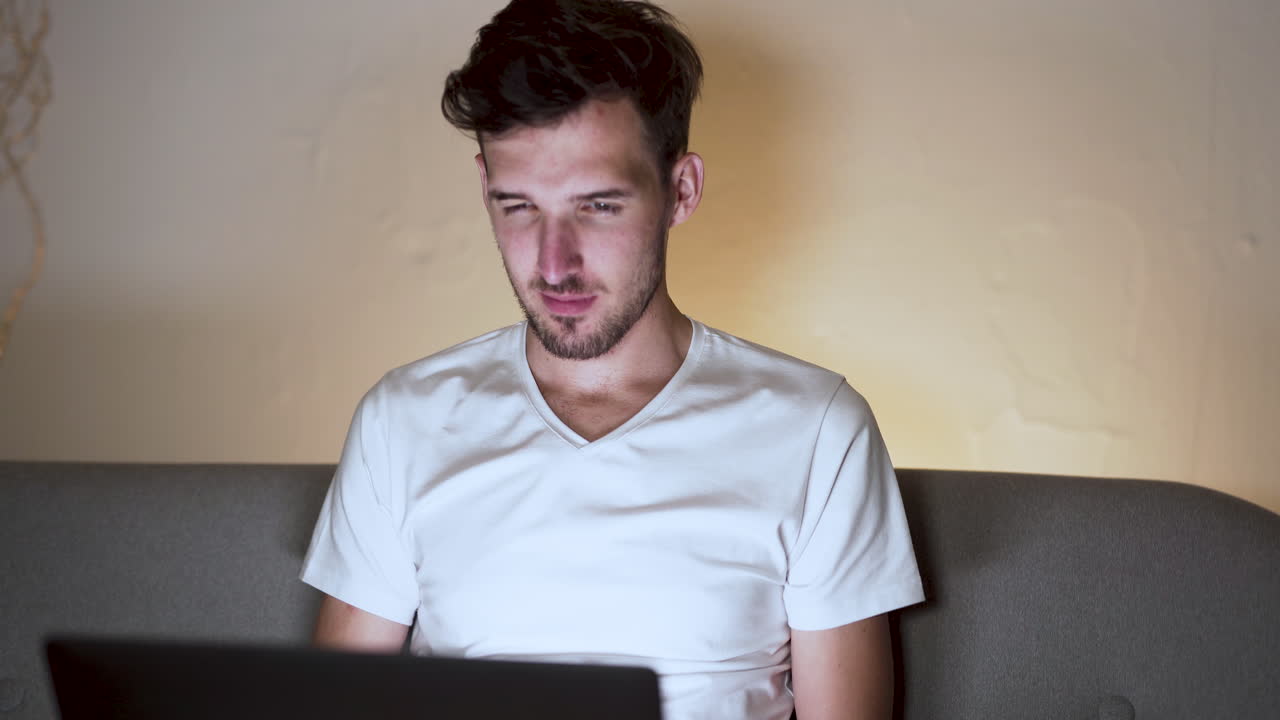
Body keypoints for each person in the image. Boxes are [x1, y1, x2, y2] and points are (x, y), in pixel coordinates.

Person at [299, 1, 924, 718]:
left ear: (679, 192)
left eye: (597, 206)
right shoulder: (403, 421)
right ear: (484, 189)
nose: (554, 263)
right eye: (519, 206)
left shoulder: (815, 431)